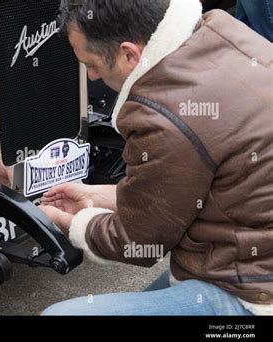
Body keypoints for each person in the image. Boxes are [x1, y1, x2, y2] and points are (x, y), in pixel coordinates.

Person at [39, 0, 273, 315]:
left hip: (252, 295)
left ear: (128, 54)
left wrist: (70, 223)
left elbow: (137, 242)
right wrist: (96, 195)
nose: (92, 76)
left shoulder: (164, 116)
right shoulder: (221, 29)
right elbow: (187, 187)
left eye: (91, 63)